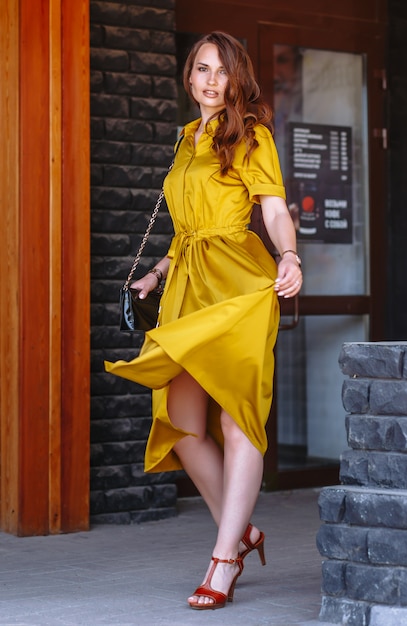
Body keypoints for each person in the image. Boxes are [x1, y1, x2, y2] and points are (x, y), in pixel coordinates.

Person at [105, 31, 302, 610]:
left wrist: (288, 255)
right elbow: (185, 224)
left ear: (236, 78)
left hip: (238, 282)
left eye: (221, 71)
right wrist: (159, 272)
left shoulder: (251, 134)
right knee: (182, 421)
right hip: (187, 282)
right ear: (189, 77)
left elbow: (272, 209)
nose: (210, 80)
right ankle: (240, 531)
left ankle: (222, 562)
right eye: (201, 69)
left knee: (237, 417)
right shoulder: (185, 138)